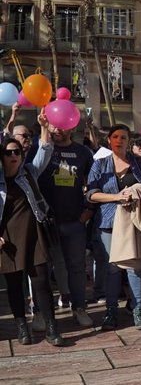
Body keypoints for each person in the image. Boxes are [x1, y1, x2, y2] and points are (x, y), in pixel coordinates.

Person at [1, 109, 65, 346]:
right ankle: (22, 328)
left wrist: (44, 127)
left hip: (34, 234)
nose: (15, 155)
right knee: (15, 286)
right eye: (9, 153)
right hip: (7, 239)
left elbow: (45, 150)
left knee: (41, 284)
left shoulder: (29, 172)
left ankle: (51, 328)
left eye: (17, 151)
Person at [87, 124, 141, 330]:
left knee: (134, 268)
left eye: (123, 137)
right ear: (109, 140)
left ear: (128, 141)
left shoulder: (140, 163)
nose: (119, 140)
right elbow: (91, 193)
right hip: (107, 222)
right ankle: (111, 311)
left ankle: (138, 309)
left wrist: (137, 193)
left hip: (133, 221)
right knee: (112, 269)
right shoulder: (100, 164)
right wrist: (116, 197)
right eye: (115, 136)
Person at [37, 120, 96, 327]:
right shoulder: (41, 149)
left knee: (77, 268)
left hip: (75, 222)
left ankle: (79, 308)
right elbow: (30, 174)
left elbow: (94, 183)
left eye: (61, 126)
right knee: (42, 269)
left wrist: (89, 210)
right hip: (46, 223)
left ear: (71, 127)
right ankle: (41, 312)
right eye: (53, 126)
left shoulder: (82, 153)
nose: (56, 130)